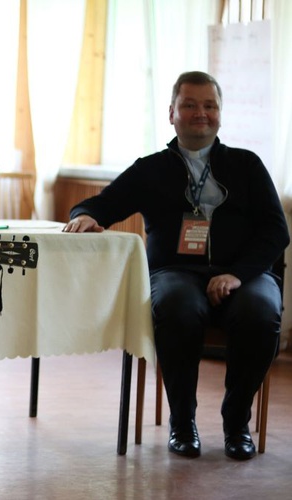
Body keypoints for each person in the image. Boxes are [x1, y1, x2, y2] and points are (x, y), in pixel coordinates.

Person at [63, 71, 289, 460]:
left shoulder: (247, 165)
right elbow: (101, 204)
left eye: (209, 105)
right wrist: (83, 214)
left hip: (244, 274)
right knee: (176, 307)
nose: (200, 113)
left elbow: (276, 231)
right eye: (189, 105)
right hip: (176, 273)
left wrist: (237, 274)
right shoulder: (150, 169)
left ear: (220, 113)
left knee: (261, 310)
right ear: (171, 113)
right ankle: (182, 422)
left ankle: (237, 422)